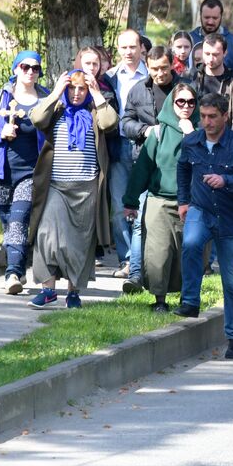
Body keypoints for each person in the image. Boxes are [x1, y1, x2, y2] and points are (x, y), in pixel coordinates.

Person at [27, 68, 119, 308]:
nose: (76, 93)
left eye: (82, 89)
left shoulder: (94, 111)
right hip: (56, 186)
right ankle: (48, 290)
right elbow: (36, 118)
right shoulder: (56, 111)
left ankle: (73, 293)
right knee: (46, 235)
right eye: (72, 88)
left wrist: (98, 95)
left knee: (79, 243)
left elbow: (109, 123)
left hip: (87, 188)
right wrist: (56, 92)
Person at [175, 92, 233, 359]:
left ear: (225, 116)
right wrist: (183, 201)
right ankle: (190, 301)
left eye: (212, 117)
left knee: (231, 281)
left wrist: (226, 180)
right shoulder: (191, 142)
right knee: (191, 243)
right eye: (203, 117)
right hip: (200, 208)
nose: (206, 122)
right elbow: (183, 169)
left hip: (231, 217)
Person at [0, 51, 49, 294]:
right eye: (24, 67)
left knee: (18, 221)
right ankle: (18, 264)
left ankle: (13, 273)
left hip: (31, 172)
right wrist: (0, 133)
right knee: (9, 224)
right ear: (15, 69)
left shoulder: (46, 97)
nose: (29, 72)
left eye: (35, 68)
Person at [122, 82, 197, 313]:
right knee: (158, 252)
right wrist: (131, 202)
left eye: (191, 102)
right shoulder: (158, 132)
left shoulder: (201, 131)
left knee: (191, 252)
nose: (186, 107)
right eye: (180, 101)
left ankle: (189, 297)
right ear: (171, 103)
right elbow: (142, 168)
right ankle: (159, 300)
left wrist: (191, 135)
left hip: (192, 203)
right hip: (160, 200)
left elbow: (207, 163)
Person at [104, 29, 148, 286]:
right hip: (118, 143)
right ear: (118, 50)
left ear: (141, 47)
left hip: (144, 143)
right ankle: (127, 259)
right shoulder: (110, 77)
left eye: (133, 47)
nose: (129, 52)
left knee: (143, 206)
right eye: (124, 48)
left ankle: (142, 260)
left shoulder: (151, 73)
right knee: (120, 206)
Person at [189, 0, 233, 80]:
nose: (210, 22)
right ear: (200, 15)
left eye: (215, 18)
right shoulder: (190, 40)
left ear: (221, 16)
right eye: (207, 17)